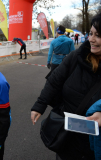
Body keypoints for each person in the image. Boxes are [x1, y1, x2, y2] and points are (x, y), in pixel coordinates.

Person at [31, 13, 101, 160]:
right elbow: (54, 81)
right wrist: (40, 104)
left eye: (98, 35)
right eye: (91, 34)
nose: (91, 39)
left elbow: (50, 51)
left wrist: (50, 61)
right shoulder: (76, 56)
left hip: (93, 143)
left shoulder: (57, 41)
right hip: (67, 136)